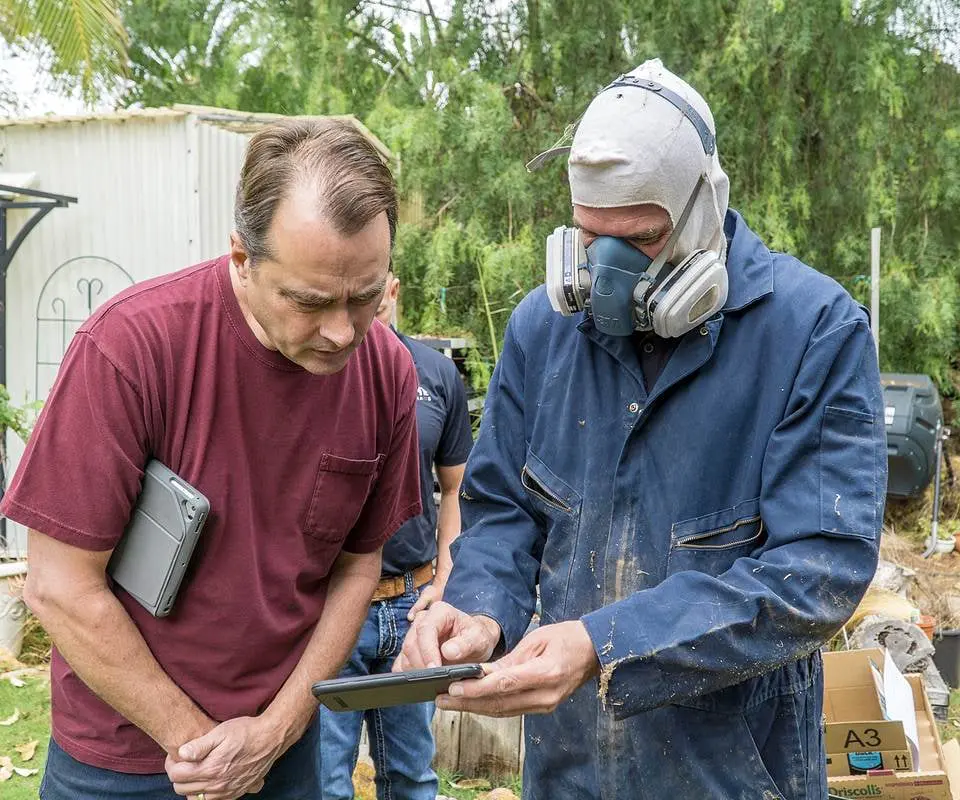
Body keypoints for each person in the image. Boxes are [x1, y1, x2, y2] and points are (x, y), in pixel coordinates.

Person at [394, 58, 887, 798]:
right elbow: (501, 513)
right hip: (570, 771)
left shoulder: (813, 331)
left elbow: (818, 572)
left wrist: (603, 644)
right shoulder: (542, 329)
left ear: (705, 205)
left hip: (731, 775)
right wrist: (478, 611)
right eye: (594, 240)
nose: (613, 274)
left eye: (643, 239)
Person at [2, 118, 423, 800]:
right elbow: (58, 584)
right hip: (122, 761)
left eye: (366, 294)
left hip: (282, 751)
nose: (342, 331)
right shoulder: (130, 348)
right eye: (310, 301)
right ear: (241, 258)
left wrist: (275, 733)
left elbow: (357, 567)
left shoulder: (387, 372)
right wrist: (202, 746)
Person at [316, 269, 473, 799]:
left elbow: (455, 490)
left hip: (412, 605)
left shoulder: (435, 374)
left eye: (369, 289)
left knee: (411, 777)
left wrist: (445, 582)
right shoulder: (317, 367)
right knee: (328, 780)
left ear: (392, 288)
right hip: (335, 607)